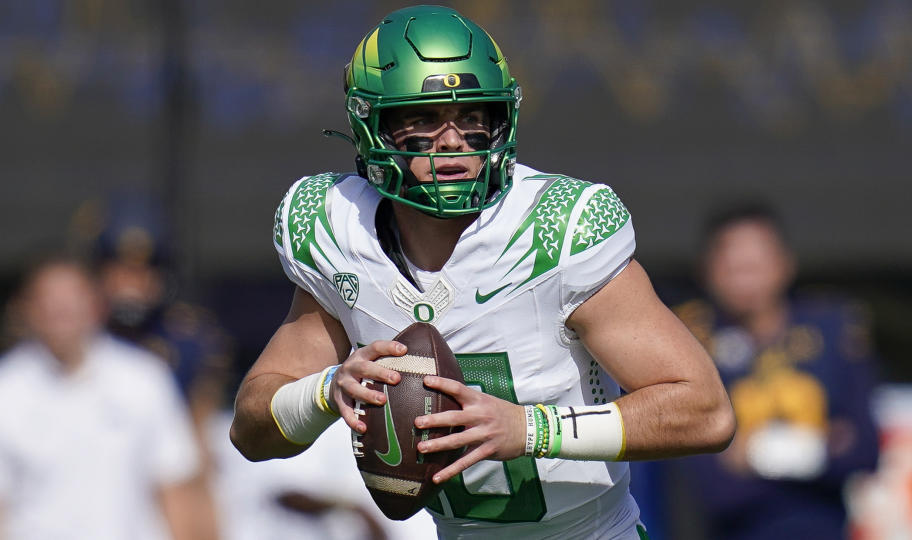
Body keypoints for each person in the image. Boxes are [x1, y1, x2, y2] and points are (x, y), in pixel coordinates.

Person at [230, 6, 735, 538]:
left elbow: (705, 411)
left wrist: (530, 427)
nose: (452, 142)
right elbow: (250, 429)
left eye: (474, 117)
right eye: (423, 120)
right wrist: (325, 390)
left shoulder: (555, 229)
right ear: (372, 125)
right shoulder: (338, 231)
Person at [0, 257, 208, 540]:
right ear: (25, 308)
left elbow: (175, 490)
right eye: (48, 299)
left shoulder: (144, 380)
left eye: (72, 297)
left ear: (97, 304)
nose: (60, 310)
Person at [672, 204, 880, 539]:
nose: (745, 280)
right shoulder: (689, 342)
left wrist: (756, 452)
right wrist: (824, 443)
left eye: (754, 266)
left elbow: (865, 453)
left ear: (785, 264)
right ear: (707, 272)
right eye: (732, 268)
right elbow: (711, 488)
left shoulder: (833, 329)